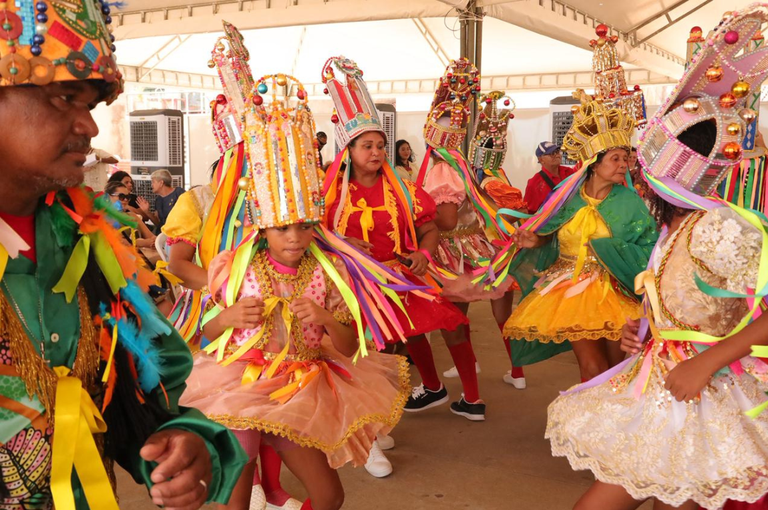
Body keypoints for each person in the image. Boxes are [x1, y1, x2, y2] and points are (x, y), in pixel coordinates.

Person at [0, 3, 248, 509]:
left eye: (89, 105)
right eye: (64, 97)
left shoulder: (86, 243)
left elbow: (149, 379)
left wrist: (182, 441)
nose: (89, 128)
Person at [547, 9, 768, 508]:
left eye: (638, 165)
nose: (633, 176)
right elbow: (691, 301)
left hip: (708, 392)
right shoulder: (675, 228)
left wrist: (707, 360)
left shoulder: (717, 227)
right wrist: (646, 329)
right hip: (664, 382)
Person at [180, 72, 409, 510]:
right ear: (262, 229)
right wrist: (225, 318)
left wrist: (325, 321)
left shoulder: (329, 271)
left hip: (301, 390)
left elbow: (347, 344)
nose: (294, 237)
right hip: (241, 387)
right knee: (238, 496)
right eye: (283, 228)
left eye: (304, 226)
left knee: (329, 496)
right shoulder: (236, 268)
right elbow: (208, 333)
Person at [321, 56, 473, 423]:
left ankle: (378, 420)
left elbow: (430, 227)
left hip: (395, 278)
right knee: (357, 351)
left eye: (379, 144)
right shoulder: (328, 192)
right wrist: (340, 244)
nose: (375, 152)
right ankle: (363, 422)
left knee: (397, 345)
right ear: (349, 151)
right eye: (366, 146)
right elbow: (312, 233)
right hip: (349, 284)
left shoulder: (403, 189)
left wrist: (424, 251)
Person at [499, 90, 658, 383]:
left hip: (616, 289)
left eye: (626, 158)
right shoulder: (567, 198)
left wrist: (611, 250)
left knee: (616, 369)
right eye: (615, 158)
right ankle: (588, 426)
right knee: (592, 368)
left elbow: (651, 248)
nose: (624, 164)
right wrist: (536, 240)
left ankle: (612, 424)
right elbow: (550, 231)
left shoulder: (630, 201)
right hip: (570, 290)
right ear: (594, 163)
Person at [418, 72, 527, 391]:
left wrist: (419, 218)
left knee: (453, 318)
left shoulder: (440, 170)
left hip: (454, 252)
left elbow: (448, 221)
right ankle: (512, 372)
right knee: (494, 314)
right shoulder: (461, 166)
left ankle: (469, 380)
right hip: (483, 247)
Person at [524, 141, 576, 213]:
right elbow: (530, 213)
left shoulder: (569, 172)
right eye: (552, 153)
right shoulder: (534, 184)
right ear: (541, 160)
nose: (557, 155)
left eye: (557, 152)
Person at [105, 181, 156, 249]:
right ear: (108, 197)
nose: (125, 199)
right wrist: (143, 243)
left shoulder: (132, 216)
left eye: (128, 197)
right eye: (121, 196)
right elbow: (118, 242)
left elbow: (150, 236)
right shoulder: (104, 219)